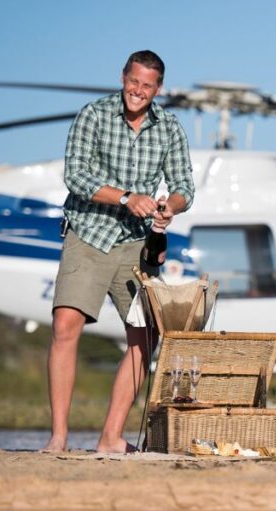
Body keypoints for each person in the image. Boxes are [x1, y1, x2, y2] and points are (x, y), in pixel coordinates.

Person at [43, 50, 195, 453]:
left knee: (145, 338)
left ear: (157, 89)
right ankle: (58, 438)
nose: (138, 91)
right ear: (123, 77)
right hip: (89, 232)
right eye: (134, 82)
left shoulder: (171, 128)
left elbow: (185, 187)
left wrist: (169, 207)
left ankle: (110, 437)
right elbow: (75, 176)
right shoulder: (93, 115)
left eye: (147, 86)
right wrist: (127, 197)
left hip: (137, 242)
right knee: (64, 327)